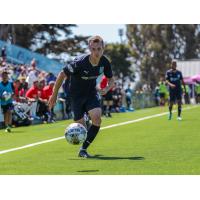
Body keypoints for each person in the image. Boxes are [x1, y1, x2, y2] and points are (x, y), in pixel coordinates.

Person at [48, 36, 115, 158]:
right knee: (82, 127)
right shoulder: (79, 62)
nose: (96, 52)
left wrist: (106, 88)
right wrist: (54, 94)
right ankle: (85, 126)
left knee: (97, 118)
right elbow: (62, 74)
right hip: (75, 96)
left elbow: (111, 80)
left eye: (99, 49)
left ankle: (83, 149)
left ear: (103, 48)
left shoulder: (105, 62)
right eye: (94, 49)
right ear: (90, 48)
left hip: (91, 93)